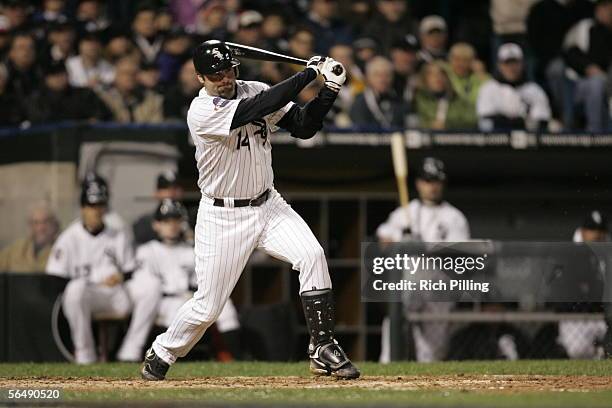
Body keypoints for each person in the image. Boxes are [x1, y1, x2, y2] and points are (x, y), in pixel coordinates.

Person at [140, 40, 359, 380]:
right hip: (222, 216)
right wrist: (308, 74)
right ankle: (163, 351)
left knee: (313, 255)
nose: (224, 78)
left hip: (268, 204)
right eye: (215, 75)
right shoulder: (200, 111)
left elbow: (303, 126)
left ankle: (322, 346)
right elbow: (251, 110)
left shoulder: (253, 88)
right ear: (200, 78)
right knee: (208, 307)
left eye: (227, 70)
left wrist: (328, 89)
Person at [46, 174, 160, 363]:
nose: (97, 211)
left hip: (116, 294)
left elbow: (130, 269)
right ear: (83, 208)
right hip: (89, 295)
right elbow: (54, 279)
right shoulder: (69, 238)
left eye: (100, 205)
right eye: (92, 206)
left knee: (151, 285)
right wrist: (91, 283)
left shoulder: (118, 234)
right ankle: (85, 353)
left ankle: (130, 350)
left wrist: (121, 276)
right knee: (75, 289)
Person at [376, 157, 470, 362]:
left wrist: (423, 245)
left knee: (434, 351)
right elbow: (383, 239)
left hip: (440, 284)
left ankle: (428, 383)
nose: (432, 186)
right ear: (419, 183)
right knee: (395, 318)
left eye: (436, 180)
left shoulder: (454, 217)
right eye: (428, 180)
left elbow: (460, 253)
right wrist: (403, 241)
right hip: (411, 281)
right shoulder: (405, 213)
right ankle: (387, 364)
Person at [134, 199, 242, 360]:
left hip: (189, 297)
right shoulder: (146, 251)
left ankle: (234, 357)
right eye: (166, 221)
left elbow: (201, 281)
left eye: (175, 220)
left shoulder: (192, 249)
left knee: (225, 306)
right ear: (156, 224)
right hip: (163, 301)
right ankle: (169, 358)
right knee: (177, 312)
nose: (171, 225)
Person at [557, 210, 609, 359]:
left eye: (601, 231)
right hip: (575, 317)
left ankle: (601, 353)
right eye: (592, 230)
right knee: (577, 350)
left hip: (601, 316)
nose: (597, 234)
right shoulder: (569, 253)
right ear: (583, 231)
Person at [560, 0, 612, 132]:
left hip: (608, 81)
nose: (609, 13)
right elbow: (570, 52)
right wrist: (588, 67)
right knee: (597, 83)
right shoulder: (585, 26)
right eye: (606, 8)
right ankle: (595, 133)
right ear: (599, 9)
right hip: (578, 83)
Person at [477, 43, 551, 131]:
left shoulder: (534, 90)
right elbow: (486, 123)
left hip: (529, 142)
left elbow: (542, 122)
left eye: (515, 63)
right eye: (507, 63)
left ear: (522, 64)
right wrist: (523, 122)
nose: (511, 67)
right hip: (496, 142)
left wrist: (503, 120)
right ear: (499, 65)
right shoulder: (488, 88)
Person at [27, 61, 109, 123]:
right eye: (54, 75)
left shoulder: (84, 94)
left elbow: (102, 114)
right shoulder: (38, 99)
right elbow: (38, 121)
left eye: (61, 73)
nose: (58, 78)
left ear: (68, 75)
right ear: (46, 79)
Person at [95, 57, 164, 123]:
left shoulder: (153, 100)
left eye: (134, 74)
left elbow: (156, 129)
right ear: (116, 76)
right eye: (125, 73)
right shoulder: (103, 99)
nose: (130, 77)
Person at [413, 61, 478, 130]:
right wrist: (429, 125)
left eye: (442, 74)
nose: (438, 77)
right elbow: (411, 121)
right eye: (432, 74)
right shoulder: (417, 100)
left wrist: (448, 125)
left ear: (448, 78)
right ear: (424, 79)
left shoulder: (459, 101)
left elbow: (472, 121)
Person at [349, 56, 409, 128]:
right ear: (368, 77)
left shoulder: (400, 101)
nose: (383, 79)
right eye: (377, 75)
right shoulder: (358, 102)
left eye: (387, 75)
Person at [0, 201, 59, 273]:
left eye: (45, 222)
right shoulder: (16, 250)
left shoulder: (60, 249)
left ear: (54, 225)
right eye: (35, 223)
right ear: (30, 226)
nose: (40, 228)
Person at [132, 170, 185, 245]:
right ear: (156, 193)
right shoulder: (144, 223)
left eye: (175, 188)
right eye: (165, 188)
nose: (171, 192)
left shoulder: (194, 217)